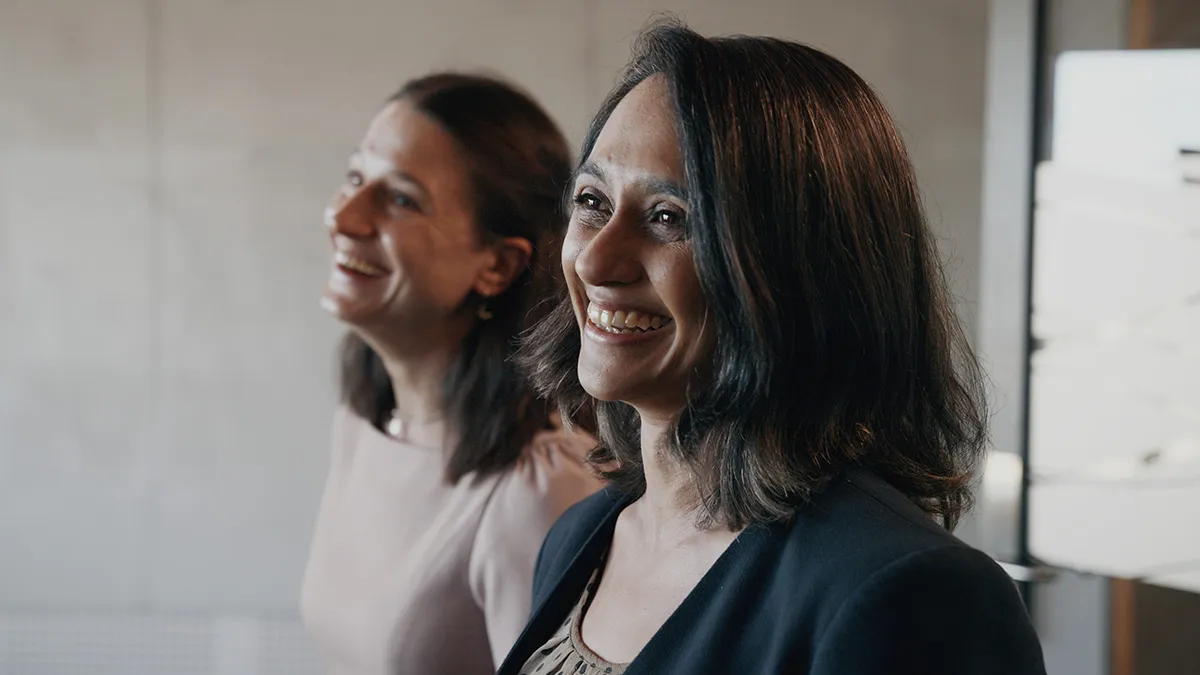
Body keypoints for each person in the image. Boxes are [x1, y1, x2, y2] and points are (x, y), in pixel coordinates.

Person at [501, 22, 1047, 675]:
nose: (595, 256)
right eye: (593, 200)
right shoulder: (578, 537)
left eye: (669, 217)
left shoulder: (912, 592)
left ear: (796, 266)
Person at [301, 73, 602, 675]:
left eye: (401, 199)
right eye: (357, 178)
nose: (345, 217)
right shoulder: (363, 423)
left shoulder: (536, 491)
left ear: (497, 265)